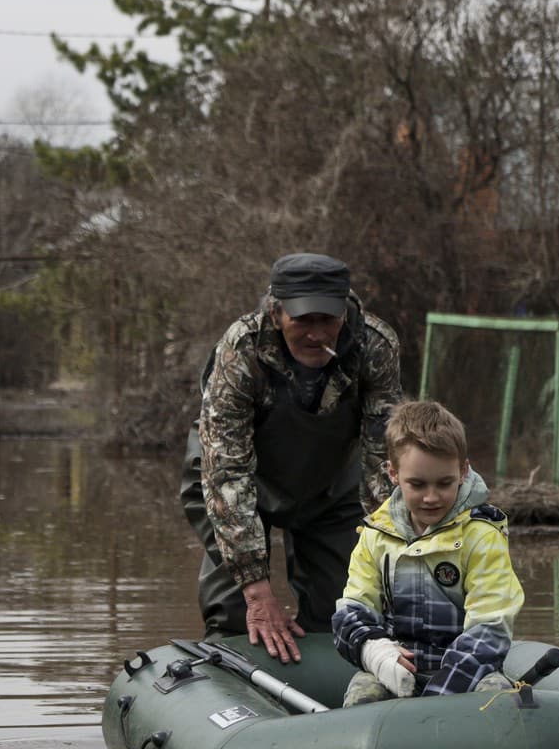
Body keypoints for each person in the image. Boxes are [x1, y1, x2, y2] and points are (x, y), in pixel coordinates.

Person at [180, 253, 402, 663]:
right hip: (233, 480)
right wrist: (256, 588)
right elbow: (226, 472)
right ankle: (236, 692)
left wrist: (386, 554)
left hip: (330, 483)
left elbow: (382, 461)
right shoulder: (240, 349)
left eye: (328, 320)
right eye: (304, 320)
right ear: (277, 311)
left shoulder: (375, 344)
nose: (317, 335)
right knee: (235, 612)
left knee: (347, 608)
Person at [331, 400, 524, 706]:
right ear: (393, 473)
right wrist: (376, 652)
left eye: (444, 483)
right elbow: (352, 610)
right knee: (362, 696)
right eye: (417, 484)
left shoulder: (482, 536)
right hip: (394, 668)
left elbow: (490, 628)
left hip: (468, 673)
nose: (431, 497)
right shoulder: (375, 535)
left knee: (497, 700)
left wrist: (438, 698)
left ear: (463, 471)